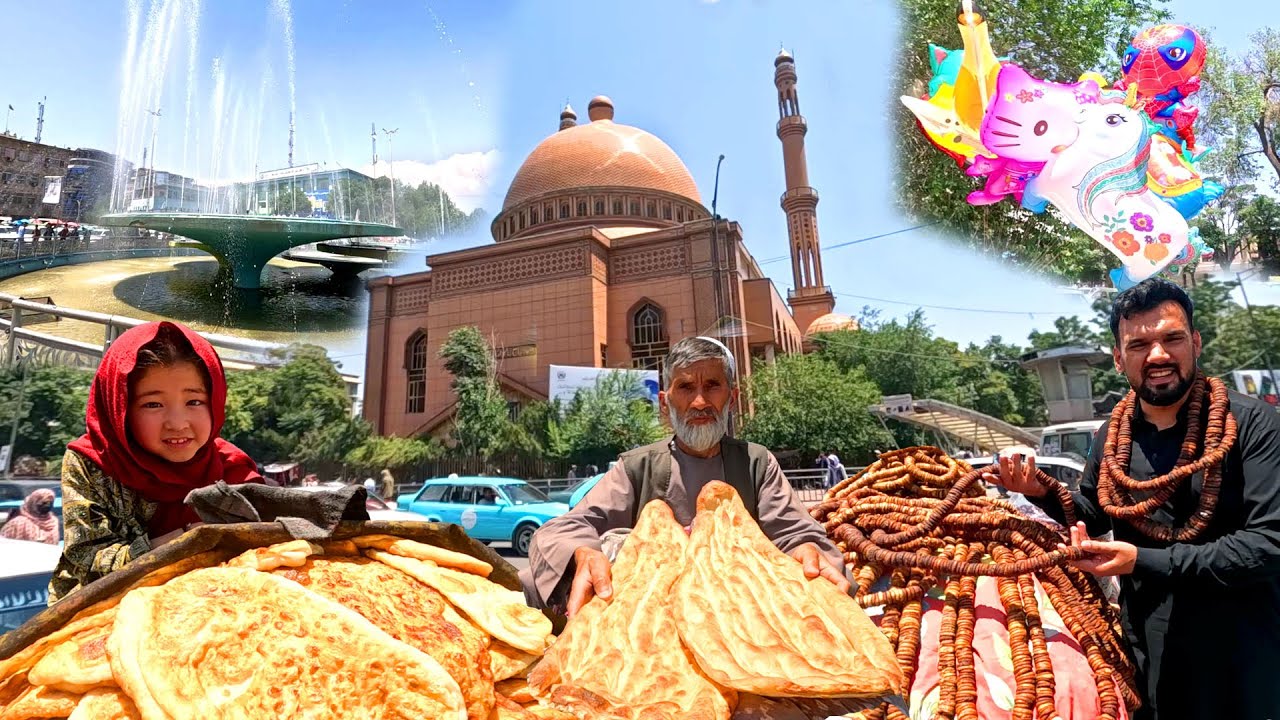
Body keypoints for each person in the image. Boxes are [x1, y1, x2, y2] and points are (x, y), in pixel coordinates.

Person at [985, 278, 1280, 720]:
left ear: (1195, 343)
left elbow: (1268, 545)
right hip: (1149, 654)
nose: (1158, 355)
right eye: (1139, 344)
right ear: (1120, 359)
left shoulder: (1254, 424)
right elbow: (1093, 510)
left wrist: (1138, 560)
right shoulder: (1112, 435)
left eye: (1172, 338)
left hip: (1245, 657)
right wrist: (1041, 491)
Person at [524, 336, 850, 617]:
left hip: (740, 621)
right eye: (685, 387)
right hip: (649, 625)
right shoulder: (639, 466)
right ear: (666, 404)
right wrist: (583, 551)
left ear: (732, 399)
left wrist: (805, 551)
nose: (699, 402)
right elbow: (564, 529)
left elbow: (795, 533)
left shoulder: (756, 463)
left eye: (712, 386)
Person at [50, 322, 262, 603]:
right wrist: (180, 542)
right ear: (121, 409)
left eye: (194, 401)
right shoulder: (92, 462)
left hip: (212, 608)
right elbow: (87, 560)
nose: (177, 423)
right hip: (102, 612)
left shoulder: (233, 469)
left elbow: (261, 552)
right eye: (153, 404)